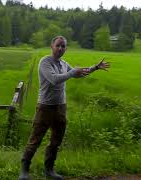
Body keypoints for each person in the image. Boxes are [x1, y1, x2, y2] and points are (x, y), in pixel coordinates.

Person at [18, 36, 110, 180]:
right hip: (45, 107)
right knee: (35, 139)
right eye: (58, 45)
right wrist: (73, 72)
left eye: (63, 46)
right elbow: (54, 80)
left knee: (56, 140)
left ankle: (49, 170)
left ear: (66, 48)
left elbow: (79, 73)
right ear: (52, 46)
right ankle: (24, 171)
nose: (60, 48)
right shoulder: (45, 62)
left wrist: (95, 67)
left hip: (61, 107)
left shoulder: (63, 63)